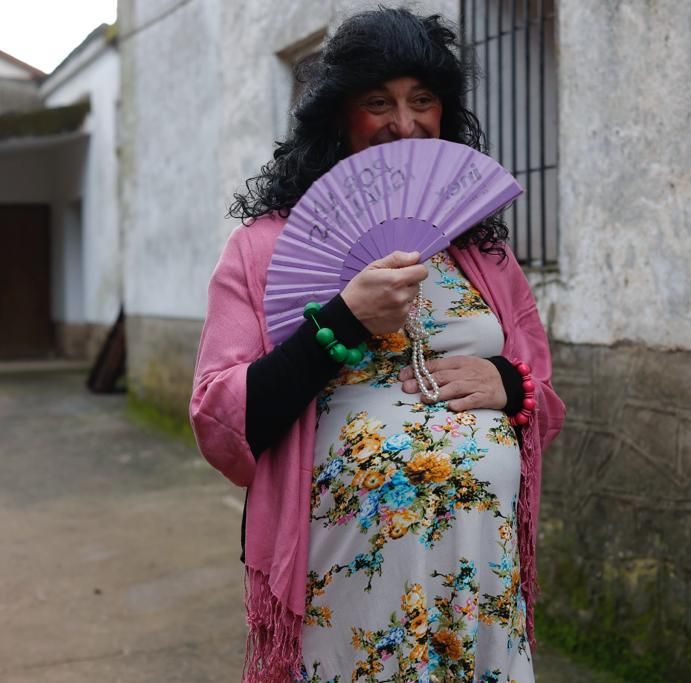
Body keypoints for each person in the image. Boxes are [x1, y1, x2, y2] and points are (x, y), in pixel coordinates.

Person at [190, 8, 565, 683]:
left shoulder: (482, 252)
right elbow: (221, 420)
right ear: (339, 116)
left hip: (478, 572)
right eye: (378, 102)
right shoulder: (263, 249)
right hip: (352, 577)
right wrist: (341, 322)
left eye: (423, 100)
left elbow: (543, 392)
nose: (405, 121)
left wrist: (509, 383)